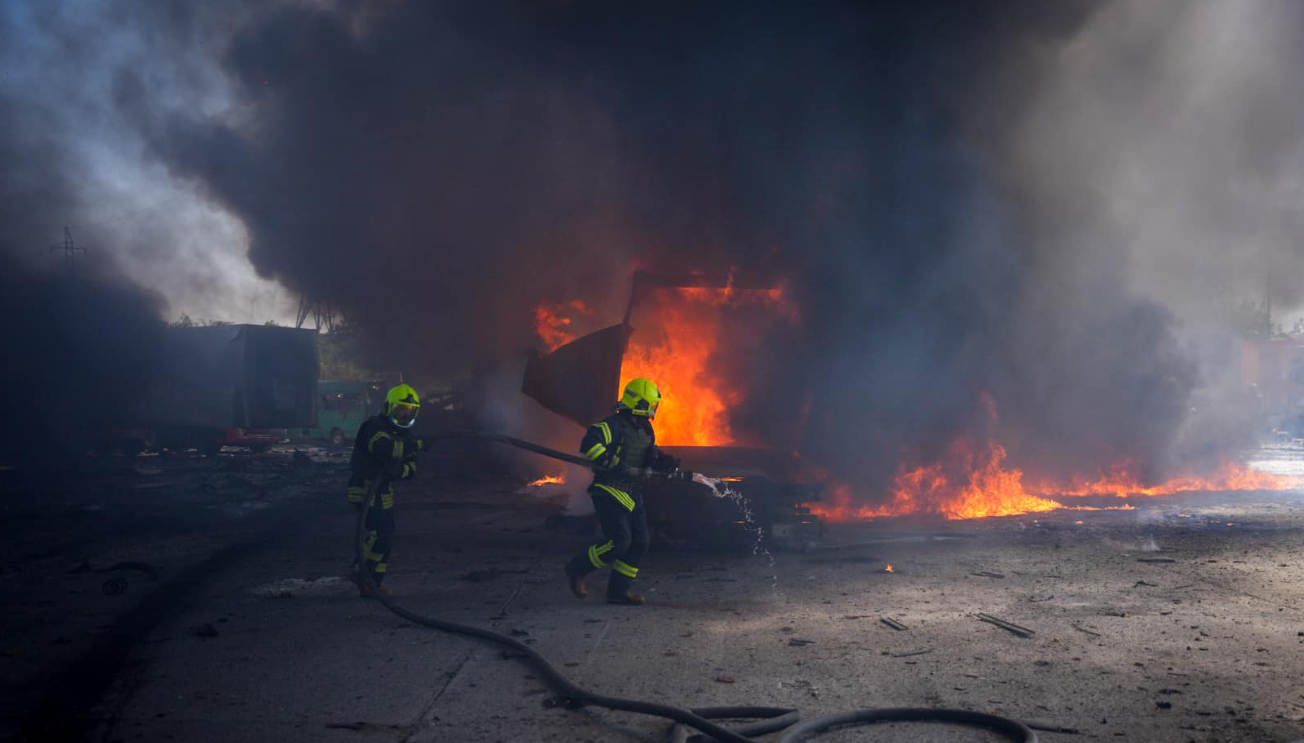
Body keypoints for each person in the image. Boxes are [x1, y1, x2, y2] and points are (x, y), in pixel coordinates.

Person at [564, 378, 680, 605]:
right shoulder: (615, 425)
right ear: (641, 403)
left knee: (640, 543)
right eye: (652, 404)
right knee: (619, 542)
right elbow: (590, 443)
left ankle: (618, 593)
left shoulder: (645, 430)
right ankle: (576, 569)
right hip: (609, 491)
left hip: (632, 493)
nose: (655, 409)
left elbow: (647, 456)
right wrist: (612, 461)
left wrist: (664, 461)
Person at [346, 383, 427, 597]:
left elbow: (412, 470)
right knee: (379, 533)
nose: (403, 415)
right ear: (389, 407)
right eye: (400, 409)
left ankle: (372, 583)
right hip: (364, 488)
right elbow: (385, 448)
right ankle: (359, 569)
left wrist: (399, 469)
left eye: (408, 411)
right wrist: (417, 445)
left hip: (384, 491)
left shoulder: (406, 436)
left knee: (386, 535)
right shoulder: (374, 428)